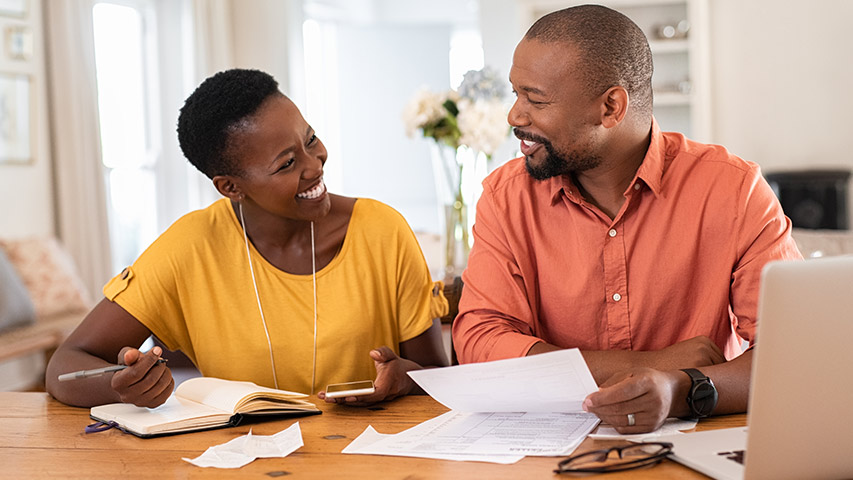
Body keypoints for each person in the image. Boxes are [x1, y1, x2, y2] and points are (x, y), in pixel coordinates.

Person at [452, 5, 802, 434]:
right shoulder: (506, 198)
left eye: (536, 100)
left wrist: (679, 388)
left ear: (611, 107)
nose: (515, 116)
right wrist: (646, 365)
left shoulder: (733, 190)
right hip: (545, 448)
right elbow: (479, 341)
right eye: (516, 94)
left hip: (697, 444)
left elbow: (792, 352)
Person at [46, 68, 449, 408]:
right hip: (241, 460)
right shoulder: (190, 247)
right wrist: (123, 387)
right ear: (230, 188)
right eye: (287, 163)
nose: (315, 165)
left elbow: (436, 376)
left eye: (310, 139)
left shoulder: (382, 230)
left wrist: (402, 378)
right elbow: (64, 366)